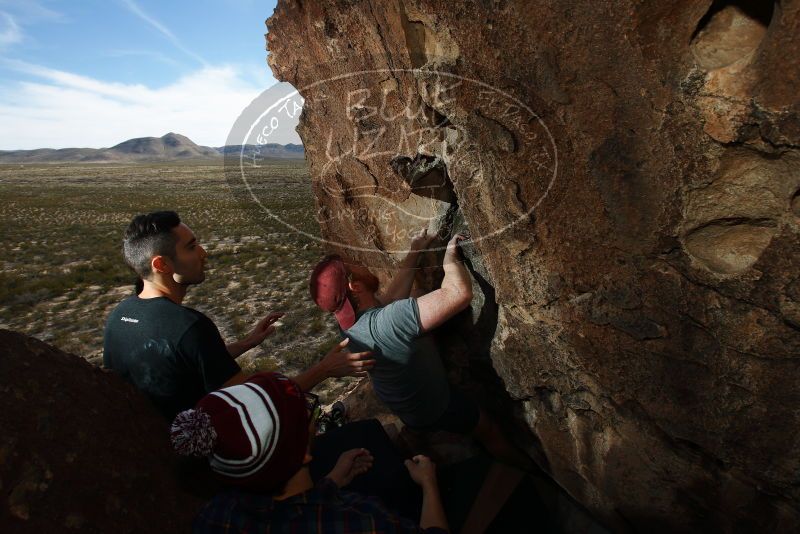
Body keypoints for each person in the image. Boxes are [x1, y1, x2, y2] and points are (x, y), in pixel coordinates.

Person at [104, 210, 374, 419]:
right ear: (161, 264)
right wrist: (325, 368)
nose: (203, 253)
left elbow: (179, 363)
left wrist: (246, 344)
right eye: (191, 246)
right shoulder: (189, 326)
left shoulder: (120, 316)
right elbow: (258, 398)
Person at [309, 229, 531, 470]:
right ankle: (525, 471)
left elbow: (390, 301)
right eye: (355, 265)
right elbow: (459, 294)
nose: (361, 263)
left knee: (415, 301)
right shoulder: (389, 321)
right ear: (355, 285)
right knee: (488, 430)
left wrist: (415, 250)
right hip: (434, 406)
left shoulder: (350, 324)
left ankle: (421, 434)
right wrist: (450, 258)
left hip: (407, 405)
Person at [172, 372, 450, 533]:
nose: (314, 417)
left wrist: (331, 482)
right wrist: (428, 484)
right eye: (309, 414)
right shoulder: (360, 520)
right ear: (303, 454)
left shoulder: (215, 514)